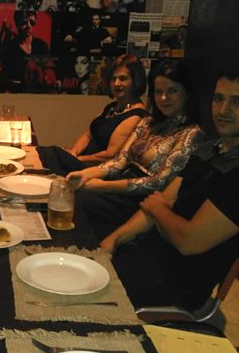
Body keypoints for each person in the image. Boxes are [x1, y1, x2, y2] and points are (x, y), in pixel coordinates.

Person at [100, 72, 239, 311]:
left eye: (236, 101)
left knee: (80, 296)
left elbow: (188, 241)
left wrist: (158, 210)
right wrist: (114, 240)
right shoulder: (208, 149)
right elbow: (163, 199)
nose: (223, 109)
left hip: (176, 285)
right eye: (218, 99)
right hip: (147, 255)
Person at [67, 59, 203, 238]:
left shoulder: (192, 133)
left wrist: (102, 186)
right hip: (117, 187)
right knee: (67, 195)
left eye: (172, 91)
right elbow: (119, 161)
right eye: (159, 92)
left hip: (140, 204)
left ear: (187, 93)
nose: (163, 98)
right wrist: (86, 174)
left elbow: (158, 183)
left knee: (78, 203)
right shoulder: (147, 122)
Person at [38, 54, 148, 175]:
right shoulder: (112, 107)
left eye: (123, 78)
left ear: (135, 81)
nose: (116, 83)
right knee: (42, 153)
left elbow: (109, 155)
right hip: (80, 162)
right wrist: (73, 153)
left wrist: (76, 159)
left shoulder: (136, 115)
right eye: (113, 79)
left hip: (96, 171)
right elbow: (88, 135)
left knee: (50, 153)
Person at [0, 10, 49, 93]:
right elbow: (3, 77)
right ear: (17, 23)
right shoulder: (9, 47)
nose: (29, 26)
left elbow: (47, 72)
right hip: (15, 93)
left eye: (32, 22)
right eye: (24, 22)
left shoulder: (42, 46)